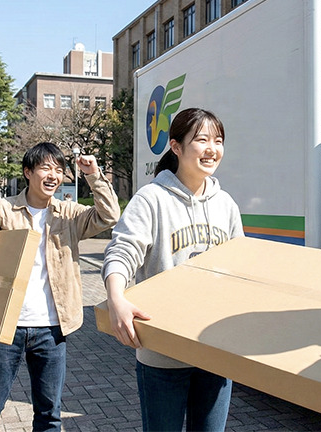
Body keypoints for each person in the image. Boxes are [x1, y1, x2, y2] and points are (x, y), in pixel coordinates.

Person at [0, 142, 120, 431]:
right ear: (28, 172)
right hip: (5, 326)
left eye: (59, 170)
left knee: (49, 414)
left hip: (52, 328)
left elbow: (109, 217)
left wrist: (94, 174)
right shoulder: (2, 210)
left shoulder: (68, 214)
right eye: (46, 168)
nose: (53, 175)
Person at [102, 108, 244, 432]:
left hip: (216, 350)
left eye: (218, 141)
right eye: (202, 140)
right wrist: (116, 298)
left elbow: (240, 269)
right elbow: (122, 251)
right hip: (163, 355)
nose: (212, 149)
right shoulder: (151, 199)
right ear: (176, 147)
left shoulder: (227, 205)